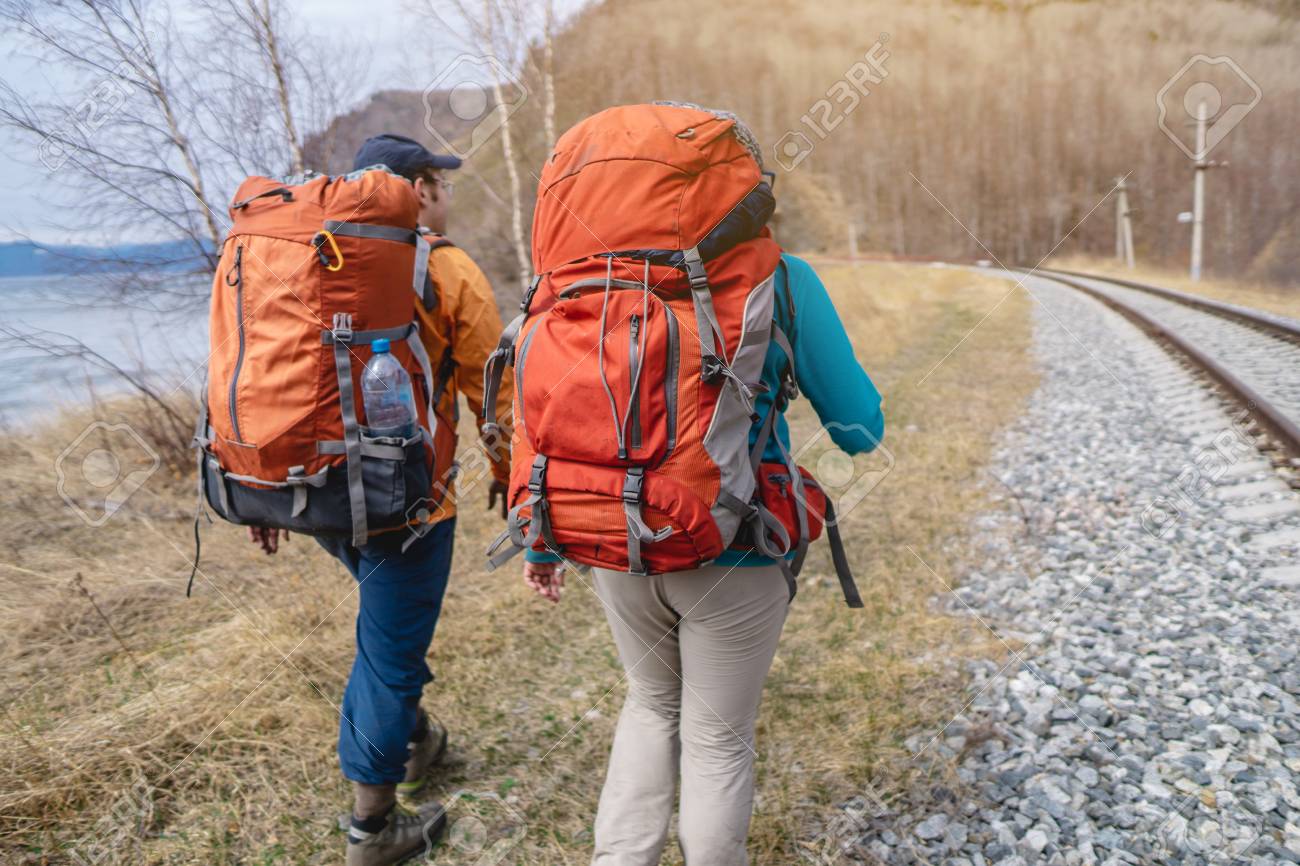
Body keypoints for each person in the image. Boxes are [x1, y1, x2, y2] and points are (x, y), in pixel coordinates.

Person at [521, 194, 885, 862]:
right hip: (735, 553)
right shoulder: (781, 277)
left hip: (616, 544)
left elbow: (545, 427)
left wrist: (542, 540)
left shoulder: (577, 281)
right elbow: (860, 428)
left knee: (651, 705)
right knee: (717, 739)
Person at [248, 133, 513, 866]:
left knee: (389, 631)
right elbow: (491, 386)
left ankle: (418, 740)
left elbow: (260, 373)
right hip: (411, 505)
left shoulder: (312, 258)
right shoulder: (445, 267)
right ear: (419, 189)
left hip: (319, 494)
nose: (447, 196)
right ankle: (373, 827)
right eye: (442, 183)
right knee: (390, 655)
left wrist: (259, 487)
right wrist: (508, 468)